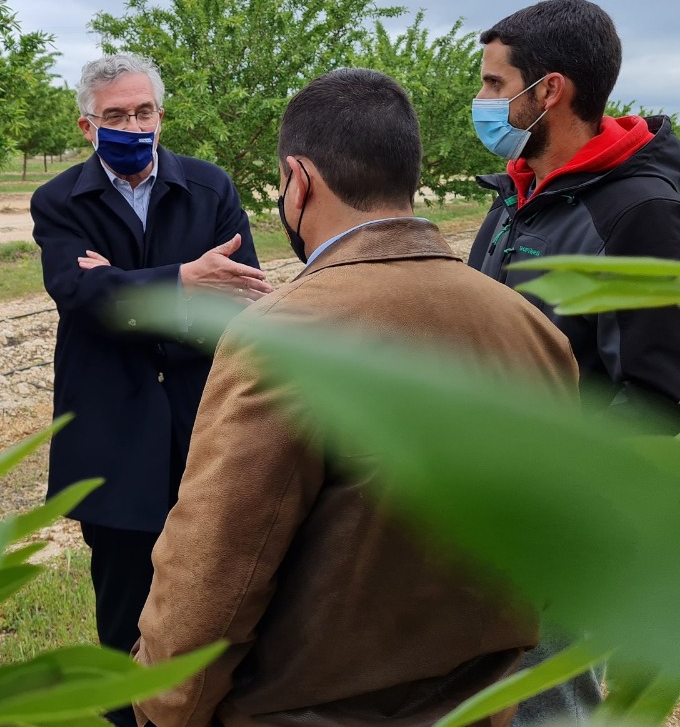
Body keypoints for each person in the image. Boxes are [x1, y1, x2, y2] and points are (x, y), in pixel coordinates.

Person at [134, 68, 578, 727]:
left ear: (299, 181)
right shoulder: (530, 328)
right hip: (477, 708)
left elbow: (216, 568)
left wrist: (165, 705)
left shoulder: (288, 339)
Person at [30, 52, 271, 727]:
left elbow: (241, 300)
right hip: (112, 435)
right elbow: (78, 296)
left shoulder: (210, 186)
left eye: (142, 112)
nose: (131, 125)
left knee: (221, 601)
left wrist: (129, 290)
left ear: (161, 116)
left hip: (205, 427)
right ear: (87, 125)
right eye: (114, 115)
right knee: (124, 615)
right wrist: (183, 282)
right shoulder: (58, 201)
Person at [467, 0, 680, 723]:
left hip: (558, 524)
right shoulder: (516, 198)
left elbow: (655, 397)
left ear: (548, 91)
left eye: (496, 85)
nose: (484, 102)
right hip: (488, 506)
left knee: (547, 706)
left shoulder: (636, 211)